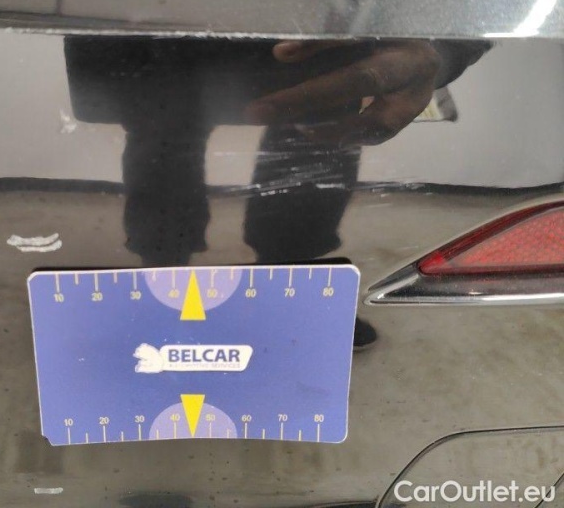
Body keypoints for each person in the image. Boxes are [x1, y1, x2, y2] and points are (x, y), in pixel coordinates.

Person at [65, 37, 488, 348]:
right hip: (148, 29)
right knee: (160, 137)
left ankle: (288, 280)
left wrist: (442, 50)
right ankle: (160, 276)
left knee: (317, 134)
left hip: (313, 31)